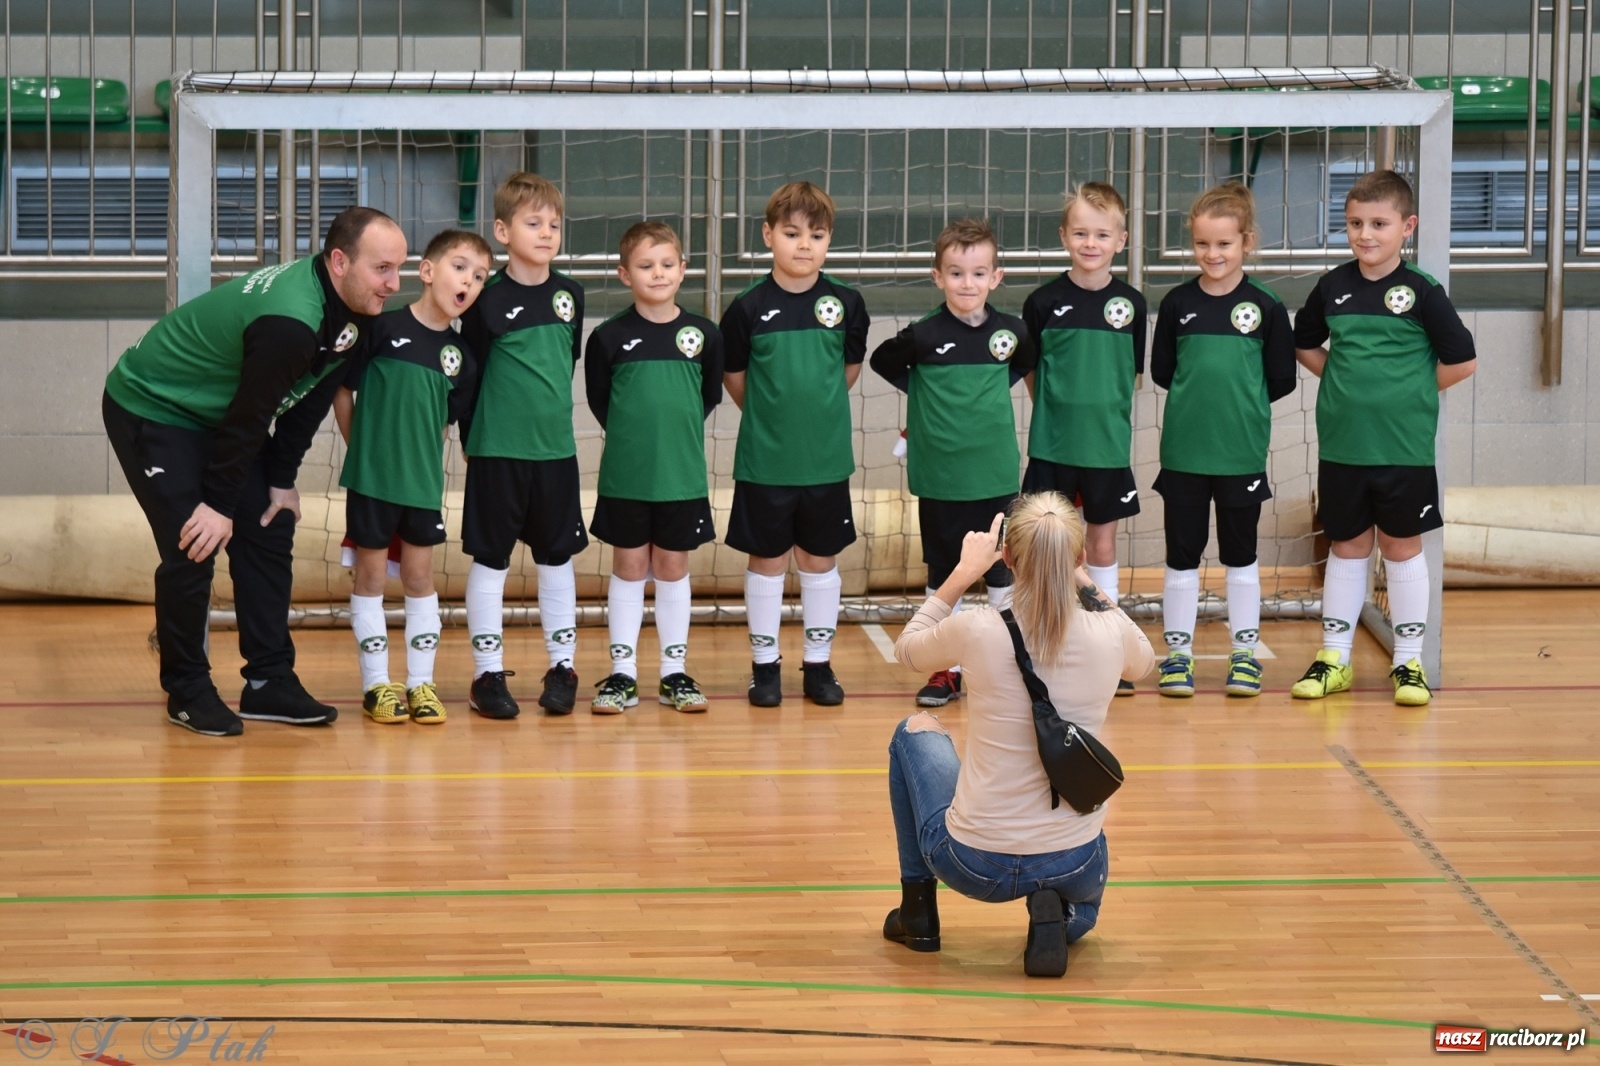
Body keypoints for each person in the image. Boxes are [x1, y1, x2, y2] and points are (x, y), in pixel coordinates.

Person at [103, 206, 406, 736]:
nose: (393, 284)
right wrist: (219, 508)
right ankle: (187, 689)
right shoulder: (289, 323)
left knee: (269, 520)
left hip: (220, 415)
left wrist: (281, 478)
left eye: (398, 268)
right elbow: (251, 417)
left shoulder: (356, 311)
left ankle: (269, 682)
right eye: (382, 269)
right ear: (339, 261)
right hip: (153, 406)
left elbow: (310, 397)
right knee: (193, 540)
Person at [884, 494, 1154, 977]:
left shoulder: (979, 628)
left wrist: (964, 573)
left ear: (1007, 559)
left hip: (973, 864)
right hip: (1074, 861)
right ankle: (1062, 913)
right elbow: (1146, 661)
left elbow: (907, 651)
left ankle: (918, 912)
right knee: (1086, 887)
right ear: (1079, 557)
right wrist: (1082, 577)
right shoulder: (1110, 632)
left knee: (914, 730)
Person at [1290, 170, 1476, 706]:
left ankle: (1408, 663)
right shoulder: (1333, 286)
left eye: (1378, 223)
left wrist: (1408, 391)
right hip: (1344, 446)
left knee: (1400, 546)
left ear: (1406, 227)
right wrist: (1347, 384)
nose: (1365, 234)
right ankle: (1334, 659)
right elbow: (1305, 344)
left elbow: (1462, 361)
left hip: (1404, 449)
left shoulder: (1422, 291)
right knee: (1348, 547)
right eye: (1354, 223)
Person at [869, 217, 1036, 708]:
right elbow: (883, 361)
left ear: (996, 277)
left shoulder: (1013, 332)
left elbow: (1024, 362)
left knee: (1004, 573)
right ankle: (945, 670)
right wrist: (927, 397)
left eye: (979, 273)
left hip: (995, 475)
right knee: (946, 574)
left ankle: (1013, 665)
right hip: (941, 479)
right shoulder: (921, 335)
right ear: (938, 277)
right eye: (957, 273)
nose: (969, 284)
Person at [333, 229, 493, 725]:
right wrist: (361, 450)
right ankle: (377, 685)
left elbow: (445, 424)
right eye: (460, 267)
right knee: (373, 576)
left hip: (422, 487)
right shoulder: (380, 328)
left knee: (421, 579)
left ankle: (420, 683)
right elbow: (341, 389)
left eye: (481, 276)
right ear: (426, 272)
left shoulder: (462, 359)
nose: (469, 280)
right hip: (372, 483)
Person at [720, 181, 870, 707]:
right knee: (767, 560)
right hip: (766, 462)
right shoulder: (745, 308)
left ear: (829, 241)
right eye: (791, 233)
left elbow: (846, 371)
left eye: (817, 234)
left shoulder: (847, 303)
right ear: (768, 236)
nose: (804, 244)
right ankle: (764, 669)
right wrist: (772, 417)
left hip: (826, 462)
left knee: (819, 560)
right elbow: (734, 377)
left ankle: (817, 666)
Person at [1149, 183, 1296, 699]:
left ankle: (1244, 655)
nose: (1213, 255)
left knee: (1242, 554)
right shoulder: (1176, 304)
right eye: (1202, 245)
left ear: (1247, 242)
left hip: (1240, 456)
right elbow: (1163, 373)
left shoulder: (1267, 306)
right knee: (1181, 556)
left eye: (1224, 245)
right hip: (1185, 456)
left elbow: (1281, 379)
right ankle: (1178, 656)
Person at [457, 172, 588, 719]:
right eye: (533, 223)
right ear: (502, 231)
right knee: (492, 561)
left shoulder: (571, 295)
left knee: (557, 559)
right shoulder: (485, 300)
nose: (546, 233)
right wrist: (471, 441)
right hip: (497, 454)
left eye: (554, 225)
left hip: (555, 455)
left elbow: (568, 364)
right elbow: (467, 376)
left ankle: (563, 668)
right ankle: (488, 674)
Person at [584, 221, 724, 714]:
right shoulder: (607, 337)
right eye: (646, 266)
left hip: (680, 477)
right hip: (626, 477)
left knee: (672, 565)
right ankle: (622, 674)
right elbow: (601, 404)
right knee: (628, 566)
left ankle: (673, 673)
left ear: (683, 269)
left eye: (667, 264)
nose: (658, 274)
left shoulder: (704, 333)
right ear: (625, 274)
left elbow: (707, 397)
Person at [1021, 182, 1147, 697]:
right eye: (1079, 232)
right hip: (1052, 447)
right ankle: (1037, 644)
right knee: (1042, 547)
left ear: (1121, 239)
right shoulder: (1043, 301)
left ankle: (1106, 647)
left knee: (1100, 544)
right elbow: (1031, 373)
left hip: (1106, 450)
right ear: (1063, 236)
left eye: (1101, 233)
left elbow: (1132, 375)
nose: (1089, 242)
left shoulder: (1133, 304)